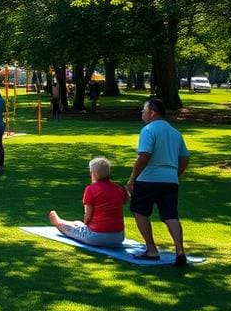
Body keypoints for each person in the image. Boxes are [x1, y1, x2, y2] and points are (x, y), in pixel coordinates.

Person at [125, 97, 190, 265]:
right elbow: (184, 158)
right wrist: (175, 174)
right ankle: (180, 250)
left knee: (139, 211)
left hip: (148, 179)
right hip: (170, 180)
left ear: (152, 112)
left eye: (144, 110)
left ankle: (151, 249)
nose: (142, 113)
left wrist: (133, 178)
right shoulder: (175, 132)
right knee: (171, 215)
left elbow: (144, 155)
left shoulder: (148, 130)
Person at [48, 157, 128, 246]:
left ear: (93, 174)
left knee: (73, 229)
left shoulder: (91, 189)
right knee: (77, 223)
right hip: (118, 237)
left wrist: (86, 225)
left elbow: (88, 215)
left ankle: (59, 223)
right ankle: (71, 223)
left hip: (97, 237)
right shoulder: (118, 189)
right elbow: (125, 200)